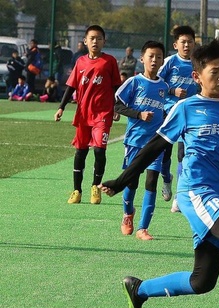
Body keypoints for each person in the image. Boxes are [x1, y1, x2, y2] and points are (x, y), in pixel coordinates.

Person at [98, 38, 219, 308]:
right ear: (197, 76)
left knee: (202, 281)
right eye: (214, 71)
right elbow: (153, 146)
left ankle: (138, 290)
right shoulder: (186, 107)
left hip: (217, 196)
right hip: (195, 190)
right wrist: (123, 179)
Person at [54, 25, 122, 205]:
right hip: (83, 114)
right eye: (92, 38)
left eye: (99, 38)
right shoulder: (81, 62)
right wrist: (61, 107)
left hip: (103, 114)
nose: (95, 41)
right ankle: (77, 190)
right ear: (85, 41)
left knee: (99, 150)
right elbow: (71, 86)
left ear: (104, 41)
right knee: (81, 152)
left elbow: (117, 87)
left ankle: (95, 187)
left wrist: (116, 107)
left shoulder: (109, 62)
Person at [114, 40, 168, 241]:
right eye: (151, 56)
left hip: (155, 143)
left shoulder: (164, 86)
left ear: (163, 60)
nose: (154, 60)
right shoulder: (134, 82)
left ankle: (143, 228)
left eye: (159, 57)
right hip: (135, 141)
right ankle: (128, 213)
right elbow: (117, 106)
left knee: (152, 181)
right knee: (131, 182)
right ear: (142, 58)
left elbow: (168, 109)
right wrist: (138, 114)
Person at [158, 25, 199, 209]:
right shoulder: (169, 62)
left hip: (188, 114)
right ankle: (167, 179)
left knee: (184, 154)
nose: (187, 45)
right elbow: (155, 83)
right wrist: (172, 90)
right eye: (183, 42)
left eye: (190, 41)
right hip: (168, 112)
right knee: (164, 152)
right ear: (176, 45)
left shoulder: (198, 63)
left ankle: (179, 197)